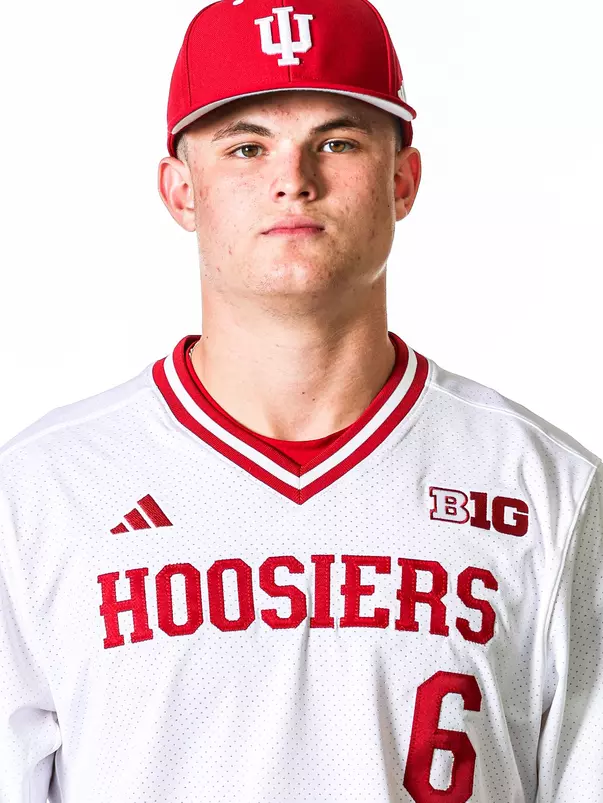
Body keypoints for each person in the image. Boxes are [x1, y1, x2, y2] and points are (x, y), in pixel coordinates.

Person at [1, 0, 602, 800]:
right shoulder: (42, 491)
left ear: (402, 180)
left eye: (338, 141)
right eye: (246, 146)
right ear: (181, 191)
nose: (293, 179)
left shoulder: (546, 487)